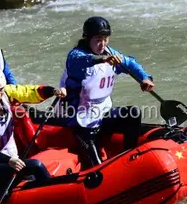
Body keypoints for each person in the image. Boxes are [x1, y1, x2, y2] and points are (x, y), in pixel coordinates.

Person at [58, 16, 155, 168]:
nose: (102, 44)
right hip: (83, 124)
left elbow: (129, 62)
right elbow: (84, 60)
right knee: (98, 169)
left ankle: (131, 157)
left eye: (105, 39)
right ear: (87, 38)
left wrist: (144, 78)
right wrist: (103, 59)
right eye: (98, 39)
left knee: (133, 113)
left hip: (104, 115)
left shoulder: (109, 52)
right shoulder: (75, 56)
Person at [0, 65, 66, 186]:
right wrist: (8, 161)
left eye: (0, 90)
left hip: (9, 156)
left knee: (30, 174)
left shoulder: (4, 92)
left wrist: (53, 91)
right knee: (36, 166)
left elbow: (28, 92)